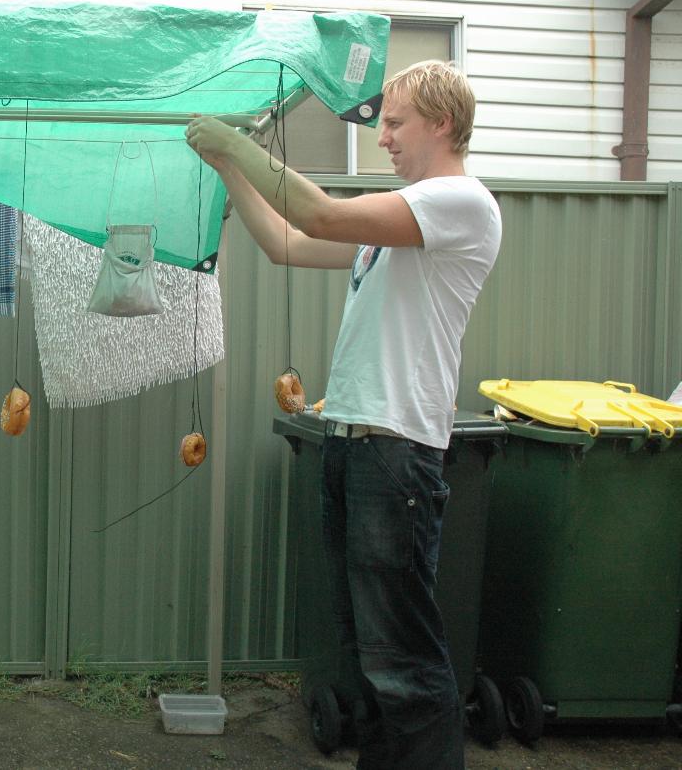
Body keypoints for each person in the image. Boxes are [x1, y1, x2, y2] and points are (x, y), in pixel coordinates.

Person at [187, 60, 501, 769]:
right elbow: (289, 243)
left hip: (397, 454)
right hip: (354, 446)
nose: (382, 136)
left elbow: (319, 212)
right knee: (371, 655)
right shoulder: (400, 222)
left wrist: (243, 147)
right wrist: (226, 166)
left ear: (443, 121)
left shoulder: (460, 201)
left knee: (405, 661)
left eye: (394, 121)